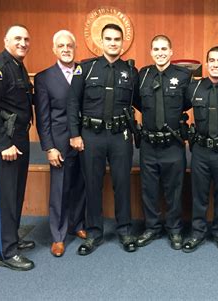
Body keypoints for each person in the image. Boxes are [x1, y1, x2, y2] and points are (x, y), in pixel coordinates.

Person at [67, 23, 139, 255]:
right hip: (91, 136)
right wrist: (75, 134)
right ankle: (94, 232)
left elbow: (140, 101)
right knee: (93, 184)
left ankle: (125, 230)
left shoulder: (130, 71)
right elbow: (72, 103)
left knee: (122, 184)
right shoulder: (85, 69)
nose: (113, 43)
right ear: (101, 41)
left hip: (120, 136)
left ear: (122, 42)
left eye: (117, 39)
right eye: (108, 39)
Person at [0, 24, 35, 271]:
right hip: (4, 142)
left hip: (18, 139)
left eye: (26, 39)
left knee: (15, 194)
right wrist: (4, 144)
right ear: (6, 40)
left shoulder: (17, 66)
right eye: (17, 38)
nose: (23, 43)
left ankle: (6, 239)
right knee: (4, 198)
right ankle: (5, 252)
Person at [182, 46, 218, 253]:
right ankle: (197, 232)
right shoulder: (194, 89)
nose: (215, 64)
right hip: (201, 150)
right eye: (212, 61)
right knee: (199, 194)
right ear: (206, 64)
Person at [134, 35, 191, 250]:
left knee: (173, 189)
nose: (160, 52)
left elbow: (187, 102)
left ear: (171, 51)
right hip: (149, 143)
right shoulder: (143, 74)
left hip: (172, 143)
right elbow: (138, 102)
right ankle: (152, 227)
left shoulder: (183, 75)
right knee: (148, 188)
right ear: (151, 52)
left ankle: (175, 229)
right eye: (156, 49)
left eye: (164, 48)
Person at [34, 30, 86, 257]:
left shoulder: (84, 72)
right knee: (59, 189)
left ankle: (77, 224)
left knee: (80, 184)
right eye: (61, 46)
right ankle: (58, 235)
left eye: (70, 46)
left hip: (84, 139)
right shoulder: (44, 77)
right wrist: (49, 147)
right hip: (59, 142)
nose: (66, 49)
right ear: (54, 49)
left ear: (75, 48)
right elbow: (42, 116)